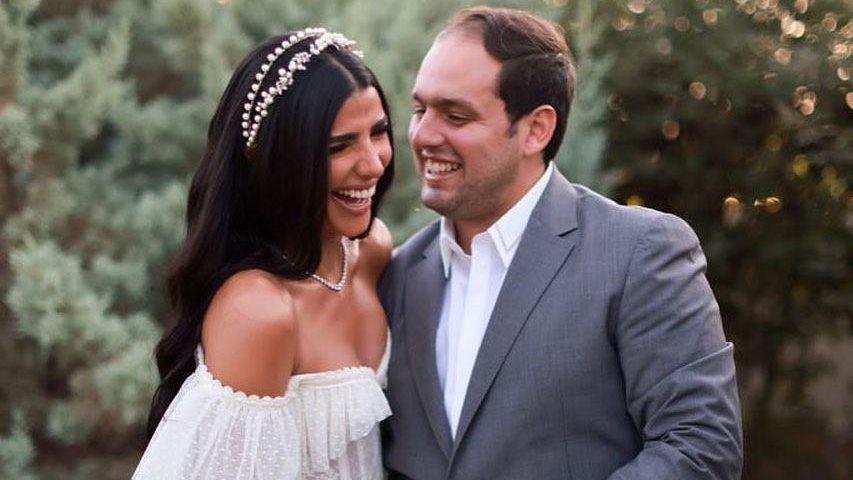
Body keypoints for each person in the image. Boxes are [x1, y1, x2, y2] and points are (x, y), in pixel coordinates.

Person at [379, 7, 743, 479]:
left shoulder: (639, 253)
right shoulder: (398, 274)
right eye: (420, 110)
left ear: (536, 129)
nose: (423, 134)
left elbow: (702, 447)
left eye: (456, 115)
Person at [134, 28, 395, 480]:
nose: (373, 163)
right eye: (339, 146)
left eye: (379, 132)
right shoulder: (259, 311)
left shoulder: (371, 251)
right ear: (267, 155)